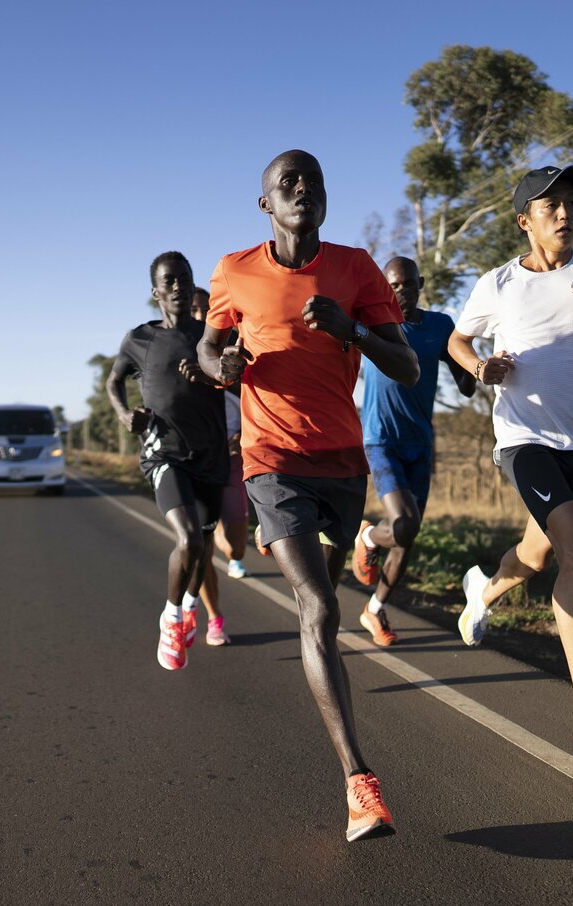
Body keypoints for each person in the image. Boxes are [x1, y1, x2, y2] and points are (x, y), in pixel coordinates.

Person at [198, 149, 418, 841]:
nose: (301, 188)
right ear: (266, 203)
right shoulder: (234, 270)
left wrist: (352, 329)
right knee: (317, 606)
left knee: (325, 592)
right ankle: (360, 781)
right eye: (286, 182)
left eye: (313, 180)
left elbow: (406, 365)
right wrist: (222, 366)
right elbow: (209, 348)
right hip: (270, 460)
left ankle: (352, 548)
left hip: (342, 463)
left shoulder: (356, 270)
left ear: (325, 199)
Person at [447, 164, 573, 771]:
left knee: (537, 557)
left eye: (571, 204)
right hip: (523, 439)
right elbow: (457, 342)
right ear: (525, 221)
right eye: (551, 205)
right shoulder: (499, 284)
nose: (565, 214)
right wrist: (481, 368)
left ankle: (481, 593)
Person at [107, 251, 232, 670]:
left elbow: (237, 374)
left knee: (204, 548)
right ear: (155, 291)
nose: (179, 286)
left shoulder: (213, 336)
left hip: (213, 458)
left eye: (185, 278)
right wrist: (126, 415)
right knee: (190, 539)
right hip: (164, 453)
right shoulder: (140, 338)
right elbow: (113, 380)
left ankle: (191, 604)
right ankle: (172, 616)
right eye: (170, 280)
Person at [350, 256, 475, 645]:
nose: (400, 291)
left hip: (420, 443)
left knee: (410, 536)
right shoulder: (370, 325)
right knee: (402, 524)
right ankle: (369, 538)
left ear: (420, 283)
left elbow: (466, 382)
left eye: (407, 284)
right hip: (380, 440)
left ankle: (374, 609)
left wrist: (480, 367)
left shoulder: (439, 327)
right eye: (393, 285)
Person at [193, 287, 251, 580]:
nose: (200, 314)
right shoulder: (183, 356)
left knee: (236, 545)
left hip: (233, 458)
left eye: (206, 308)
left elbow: (256, 401)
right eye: (194, 309)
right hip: (201, 460)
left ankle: (232, 552)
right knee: (199, 534)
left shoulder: (233, 349)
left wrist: (241, 437)